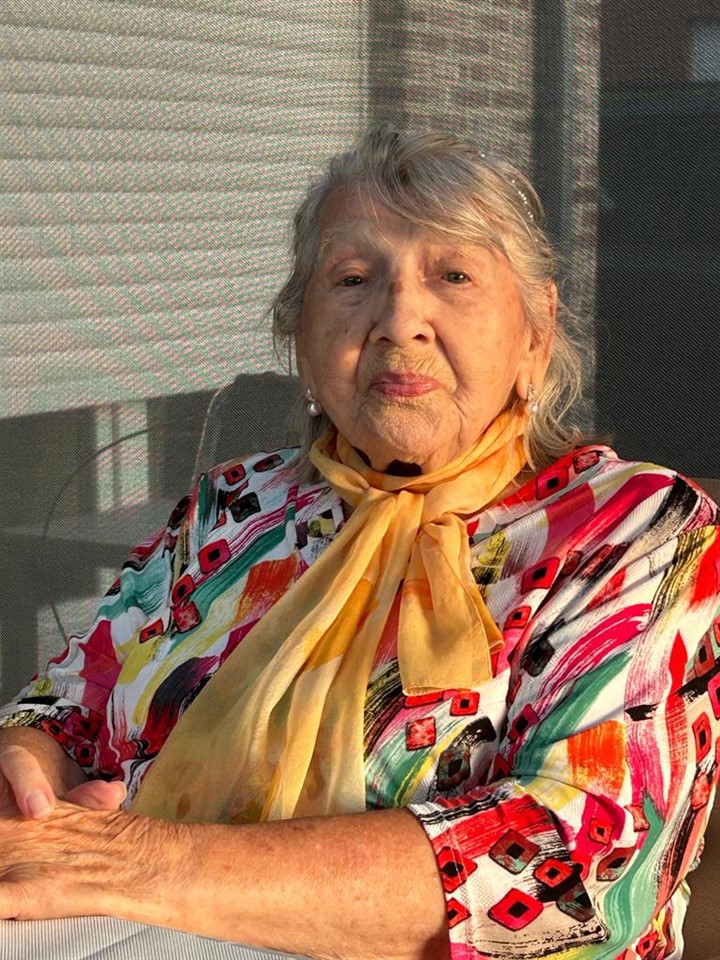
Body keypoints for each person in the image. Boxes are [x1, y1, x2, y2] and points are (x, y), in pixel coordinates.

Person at [0, 126, 718, 960]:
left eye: (453, 276)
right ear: (299, 338)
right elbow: (65, 706)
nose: (400, 320)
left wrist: (139, 863)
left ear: (536, 331)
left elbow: (582, 874)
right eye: (352, 280)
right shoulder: (231, 508)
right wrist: (26, 774)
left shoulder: (640, 530)